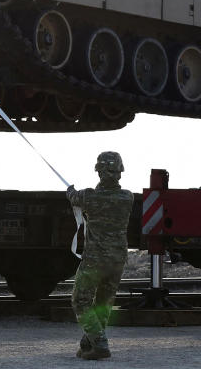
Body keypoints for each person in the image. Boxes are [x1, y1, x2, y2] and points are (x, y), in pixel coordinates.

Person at [67, 151, 134, 360]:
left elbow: (73, 197)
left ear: (99, 172)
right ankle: (90, 343)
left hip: (95, 260)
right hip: (117, 260)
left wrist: (70, 190)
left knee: (80, 300)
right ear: (120, 172)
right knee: (104, 302)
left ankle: (100, 343)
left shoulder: (88, 196)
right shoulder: (127, 197)